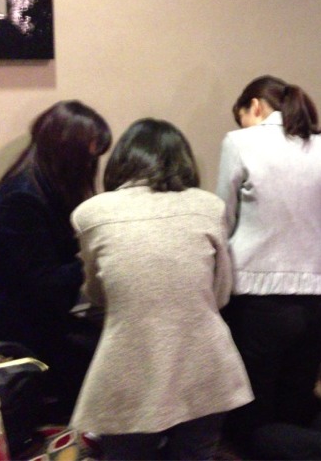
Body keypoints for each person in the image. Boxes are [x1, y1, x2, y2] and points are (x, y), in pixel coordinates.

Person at [70, 118, 253, 460]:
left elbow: (97, 294)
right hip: (205, 366)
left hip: (130, 367)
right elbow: (221, 293)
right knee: (195, 453)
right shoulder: (209, 207)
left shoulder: (90, 215)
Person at [216, 76, 321, 447]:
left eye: (242, 116)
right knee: (296, 403)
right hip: (318, 298)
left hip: (258, 299)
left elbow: (222, 223)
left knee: (250, 415)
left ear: (255, 106)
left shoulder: (239, 142)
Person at [0, 100, 111, 420]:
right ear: (67, 151)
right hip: (20, 334)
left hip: (39, 320)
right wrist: (96, 259)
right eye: (88, 155)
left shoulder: (44, 188)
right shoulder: (21, 198)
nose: (91, 164)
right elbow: (44, 283)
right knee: (104, 355)